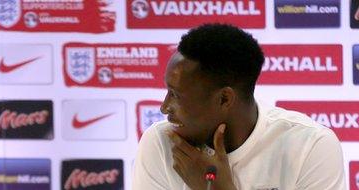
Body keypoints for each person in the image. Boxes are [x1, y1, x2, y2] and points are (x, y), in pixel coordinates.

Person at [133, 23, 345, 190]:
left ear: (225, 99)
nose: (164, 107)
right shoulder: (160, 143)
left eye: (176, 95)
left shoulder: (311, 146)